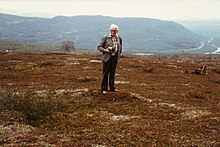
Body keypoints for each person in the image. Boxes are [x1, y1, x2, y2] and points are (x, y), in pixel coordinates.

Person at [97, 24, 123, 94]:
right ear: (110, 30)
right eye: (112, 30)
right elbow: (99, 47)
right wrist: (105, 50)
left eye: (114, 31)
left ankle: (112, 87)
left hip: (115, 58)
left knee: (112, 73)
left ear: (117, 31)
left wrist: (118, 56)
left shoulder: (119, 38)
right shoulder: (105, 37)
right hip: (107, 58)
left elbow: (120, 48)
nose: (113, 32)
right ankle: (104, 88)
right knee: (105, 73)